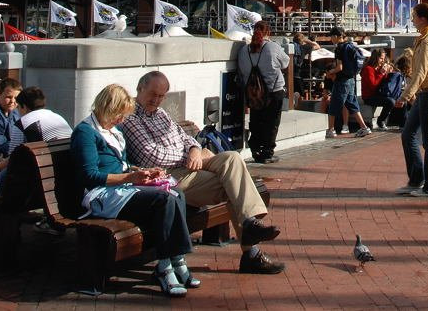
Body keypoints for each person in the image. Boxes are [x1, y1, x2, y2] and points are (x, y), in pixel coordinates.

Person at [121, 71, 286, 275]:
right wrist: (191, 156)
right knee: (232, 184)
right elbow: (152, 155)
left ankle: (250, 223)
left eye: (161, 96)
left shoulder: (161, 114)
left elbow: (186, 138)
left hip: (189, 166)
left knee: (232, 159)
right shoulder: (130, 118)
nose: (156, 100)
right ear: (140, 89)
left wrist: (195, 150)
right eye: (153, 94)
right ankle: (250, 251)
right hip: (167, 178)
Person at [70, 84, 195, 296]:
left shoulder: (114, 131)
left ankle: (175, 259)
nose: (121, 120)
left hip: (122, 188)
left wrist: (143, 172)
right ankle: (165, 266)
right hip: (101, 195)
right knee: (163, 200)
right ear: (107, 108)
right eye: (119, 114)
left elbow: (123, 164)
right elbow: (89, 176)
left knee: (176, 193)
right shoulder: (85, 132)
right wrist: (131, 177)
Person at [395, 2, 428, 198]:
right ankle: (417, 179)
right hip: (425, 93)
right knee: (408, 135)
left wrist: (405, 95)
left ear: (423, 19)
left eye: (415, 16)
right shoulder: (424, 37)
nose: (413, 19)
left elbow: (420, 73)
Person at [238, 20, 292, 161]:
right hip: (274, 90)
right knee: (272, 122)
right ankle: (267, 152)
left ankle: (255, 148)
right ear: (268, 32)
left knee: (256, 120)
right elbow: (285, 62)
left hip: (254, 93)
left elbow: (242, 71)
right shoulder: (272, 47)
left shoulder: (244, 50)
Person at [326, 28, 372, 139]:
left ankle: (331, 130)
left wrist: (329, 72)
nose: (331, 39)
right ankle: (364, 127)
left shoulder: (339, 48)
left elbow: (339, 67)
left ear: (337, 36)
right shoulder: (350, 45)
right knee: (352, 104)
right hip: (351, 79)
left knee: (333, 105)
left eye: (332, 36)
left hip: (342, 81)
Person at [359, 50, 395, 129]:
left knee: (396, 97)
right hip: (368, 97)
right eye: (381, 58)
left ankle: (398, 121)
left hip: (377, 94)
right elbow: (373, 85)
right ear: (376, 58)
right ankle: (381, 121)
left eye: (384, 59)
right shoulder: (368, 69)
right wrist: (381, 73)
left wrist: (388, 73)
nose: (383, 61)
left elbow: (383, 83)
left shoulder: (379, 68)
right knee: (390, 102)